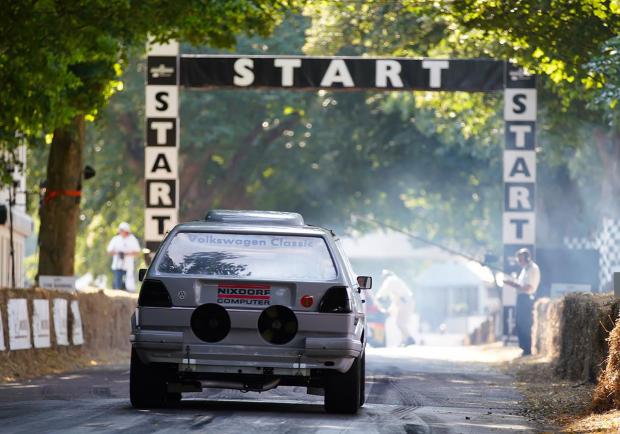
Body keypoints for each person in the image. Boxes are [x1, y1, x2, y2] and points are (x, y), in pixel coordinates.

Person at [506, 248, 541, 355]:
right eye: (519, 260)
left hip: (526, 299)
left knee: (525, 324)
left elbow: (528, 287)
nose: (519, 262)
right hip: (522, 298)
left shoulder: (532, 269)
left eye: (521, 259)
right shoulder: (525, 269)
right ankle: (524, 348)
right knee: (520, 323)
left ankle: (527, 349)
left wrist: (514, 284)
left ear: (527, 258)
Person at [374, 269, 416, 346]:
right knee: (402, 323)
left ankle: (410, 339)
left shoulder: (390, 280)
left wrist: (377, 298)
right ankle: (404, 341)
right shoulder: (396, 282)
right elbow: (395, 301)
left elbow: (383, 291)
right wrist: (389, 310)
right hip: (407, 302)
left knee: (400, 323)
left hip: (405, 302)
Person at [107, 222, 141, 291]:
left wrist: (127, 254)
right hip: (118, 265)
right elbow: (109, 252)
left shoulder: (132, 239)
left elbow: (137, 252)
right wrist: (118, 253)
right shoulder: (115, 239)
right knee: (118, 284)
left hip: (128, 266)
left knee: (129, 284)